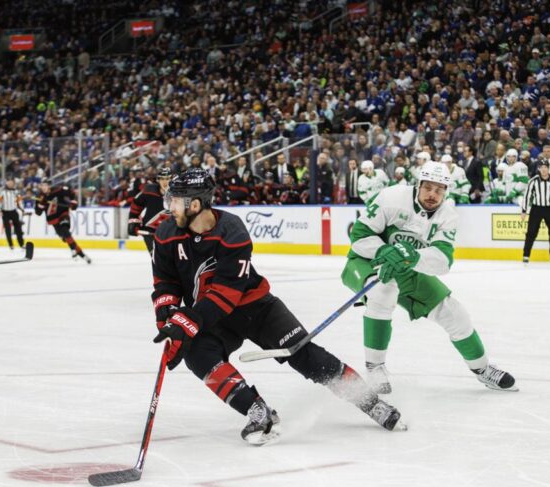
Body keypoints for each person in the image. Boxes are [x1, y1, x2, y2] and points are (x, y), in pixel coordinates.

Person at [150, 169, 405, 445]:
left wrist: (188, 322)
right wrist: (167, 318)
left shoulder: (231, 231)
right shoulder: (165, 233)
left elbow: (226, 294)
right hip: (212, 317)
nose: (169, 207)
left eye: (175, 200)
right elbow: (165, 282)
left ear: (195, 204)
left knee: (306, 356)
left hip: (256, 309)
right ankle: (257, 410)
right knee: (198, 356)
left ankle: (371, 403)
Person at [340, 162, 517, 395]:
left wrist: (412, 257)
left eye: (439, 190)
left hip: (408, 268)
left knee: (454, 313)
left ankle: (483, 369)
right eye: (428, 188)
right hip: (366, 262)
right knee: (384, 292)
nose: (433, 195)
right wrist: (384, 252)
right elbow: (359, 236)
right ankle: (375, 366)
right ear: (418, 185)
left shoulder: (448, 216)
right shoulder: (391, 197)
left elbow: (443, 260)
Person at [520, 160, 550, 264]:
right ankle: (526, 255)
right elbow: (527, 196)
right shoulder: (533, 181)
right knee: (531, 232)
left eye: (545, 167)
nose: (544, 169)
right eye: (542, 167)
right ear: (539, 169)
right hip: (537, 209)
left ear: (548, 168)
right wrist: (524, 210)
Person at [34, 180, 91, 263]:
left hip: (63, 214)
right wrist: (41, 205)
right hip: (53, 220)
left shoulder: (58, 190)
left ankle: (73, 250)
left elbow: (71, 193)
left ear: (49, 186)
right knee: (66, 238)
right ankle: (82, 255)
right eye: (42, 185)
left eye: (45, 185)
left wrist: (73, 203)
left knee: (65, 230)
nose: (43, 187)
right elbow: (38, 212)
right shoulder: (40, 197)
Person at [128, 167, 173, 253]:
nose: (165, 182)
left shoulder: (179, 193)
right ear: (158, 180)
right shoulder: (149, 191)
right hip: (150, 230)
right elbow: (136, 204)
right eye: (162, 179)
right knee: (156, 258)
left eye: (167, 179)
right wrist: (133, 222)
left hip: (171, 231)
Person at [0, 178, 25, 250]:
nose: (10, 184)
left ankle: (21, 244)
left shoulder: (16, 191)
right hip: (5, 212)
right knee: (8, 229)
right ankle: (11, 244)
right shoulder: (1, 191)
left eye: (12, 182)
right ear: (7, 183)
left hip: (14, 211)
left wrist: (22, 208)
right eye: (9, 182)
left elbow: (20, 201)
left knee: (18, 228)